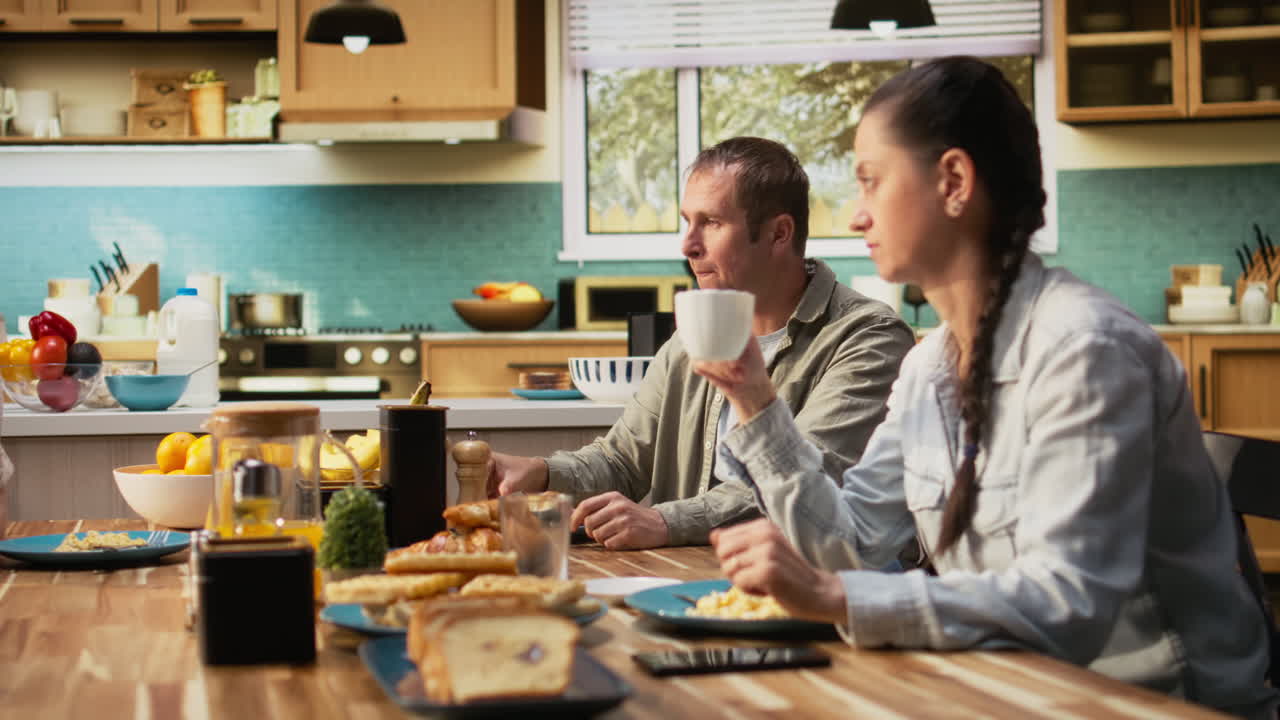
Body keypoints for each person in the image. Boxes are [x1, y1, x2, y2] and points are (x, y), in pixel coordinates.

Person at [696, 58, 1276, 718]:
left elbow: (1069, 605)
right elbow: (853, 542)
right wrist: (753, 397)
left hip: (1154, 706)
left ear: (953, 181)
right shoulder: (928, 369)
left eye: (871, 182)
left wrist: (837, 599)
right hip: (1014, 694)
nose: (856, 216)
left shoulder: (1086, 349)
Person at [489, 136, 915, 550]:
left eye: (711, 223)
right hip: (686, 580)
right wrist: (541, 474)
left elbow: (809, 487)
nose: (689, 245)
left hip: (806, 597)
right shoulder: (691, 338)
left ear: (779, 234)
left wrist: (662, 520)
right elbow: (622, 461)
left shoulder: (866, 339)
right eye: (687, 221)